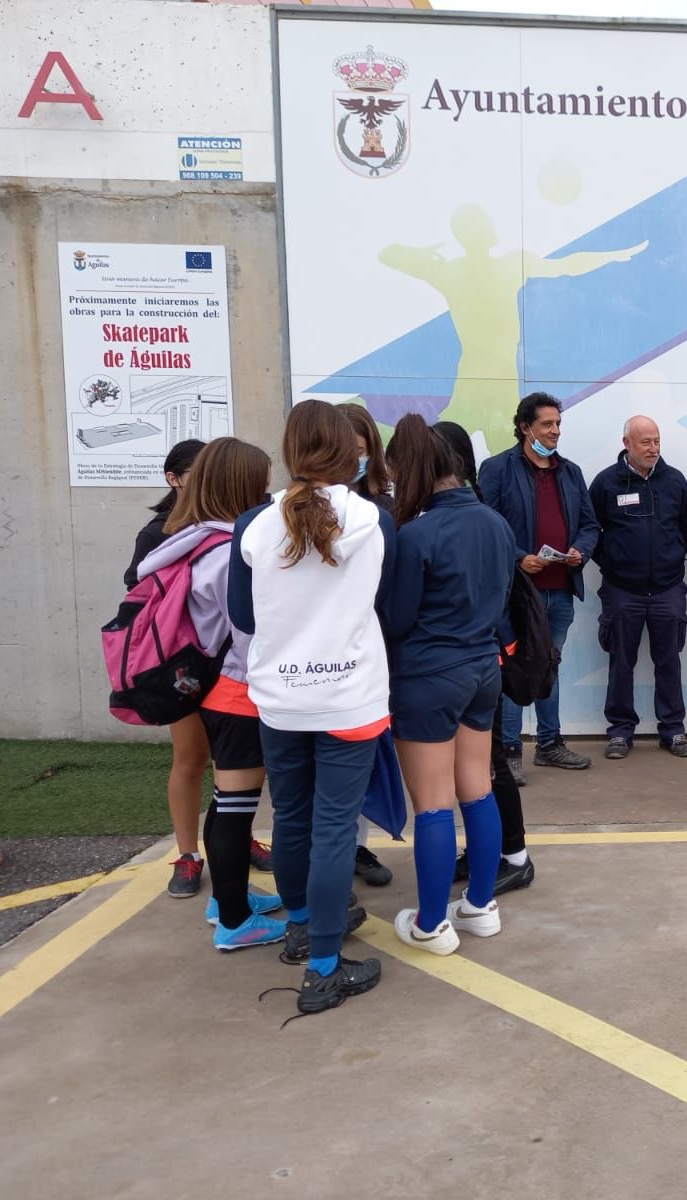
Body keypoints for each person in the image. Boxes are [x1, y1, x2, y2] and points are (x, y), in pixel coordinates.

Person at [229, 400, 388, 1016]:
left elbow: (243, 617)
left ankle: (300, 928)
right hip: (350, 696)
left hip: (280, 698)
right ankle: (324, 967)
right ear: (351, 451)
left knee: (291, 818)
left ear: (291, 450)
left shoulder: (255, 523)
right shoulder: (372, 519)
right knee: (332, 828)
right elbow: (388, 604)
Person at [139, 437, 289, 949]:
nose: (268, 490)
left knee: (229, 802)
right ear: (242, 486)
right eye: (261, 481)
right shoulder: (231, 551)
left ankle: (229, 897)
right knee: (235, 806)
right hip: (240, 689)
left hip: (216, 688)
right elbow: (247, 630)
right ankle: (233, 921)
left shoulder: (194, 538)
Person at [381, 415, 515, 955]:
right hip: (484, 669)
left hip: (429, 676)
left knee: (433, 803)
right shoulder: (495, 523)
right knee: (476, 787)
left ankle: (432, 922)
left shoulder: (415, 534)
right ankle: (481, 904)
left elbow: (396, 619)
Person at [379, 203, 646, 442]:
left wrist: (416, 255)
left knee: (463, 451)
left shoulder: (456, 269)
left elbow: (388, 254)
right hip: (485, 382)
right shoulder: (491, 267)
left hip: (486, 380)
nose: (492, 225)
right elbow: (566, 265)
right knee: (458, 452)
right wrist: (611, 256)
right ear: (474, 232)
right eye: (485, 221)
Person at [437, 419, 535, 895]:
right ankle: (487, 849)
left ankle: (514, 856)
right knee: (473, 769)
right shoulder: (477, 516)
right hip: (477, 662)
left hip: (482, 662)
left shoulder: (473, 518)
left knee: (489, 764)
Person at [480, 392, 600, 778]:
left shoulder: (570, 471)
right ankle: (510, 752)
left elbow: (589, 524)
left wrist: (580, 551)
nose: (555, 432)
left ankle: (550, 745)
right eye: (547, 424)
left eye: (558, 424)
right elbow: (486, 524)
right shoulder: (497, 469)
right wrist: (519, 557)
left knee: (549, 665)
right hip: (516, 592)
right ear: (524, 427)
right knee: (515, 668)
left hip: (560, 588)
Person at [588, 415, 687, 760]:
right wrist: (615, 564)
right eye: (645, 442)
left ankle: (672, 729)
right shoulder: (607, 483)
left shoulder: (674, 481)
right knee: (621, 661)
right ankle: (620, 731)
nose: (653, 448)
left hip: (667, 589)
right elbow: (591, 532)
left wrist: (669, 559)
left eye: (656, 441)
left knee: (669, 660)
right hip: (622, 590)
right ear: (627, 444)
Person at [337, 403, 396, 887]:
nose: (353, 460)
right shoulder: (285, 511)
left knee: (365, 757)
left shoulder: (385, 507)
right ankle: (340, 851)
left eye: (360, 451)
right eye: (344, 450)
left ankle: (358, 847)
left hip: (374, 649)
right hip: (318, 662)